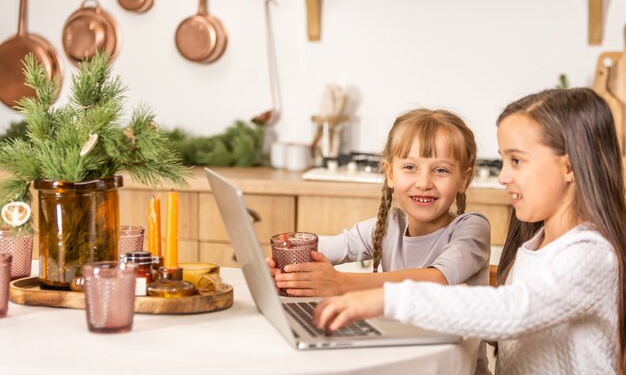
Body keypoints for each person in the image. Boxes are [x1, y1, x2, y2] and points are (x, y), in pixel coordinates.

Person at [313, 88, 626, 375]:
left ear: (568, 167)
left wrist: (386, 298)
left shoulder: (591, 254)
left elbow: (516, 312)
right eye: (504, 161)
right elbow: (509, 329)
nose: (503, 177)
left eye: (516, 160)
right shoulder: (535, 246)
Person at [268, 108, 491, 297]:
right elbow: (321, 251)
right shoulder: (387, 226)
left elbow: (437, 280)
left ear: (463, 179)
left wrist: (339, 283)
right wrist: (286, 265)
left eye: (440, 170)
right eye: (410, 167)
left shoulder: (472, 229)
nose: (424, 183)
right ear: (390, 174)